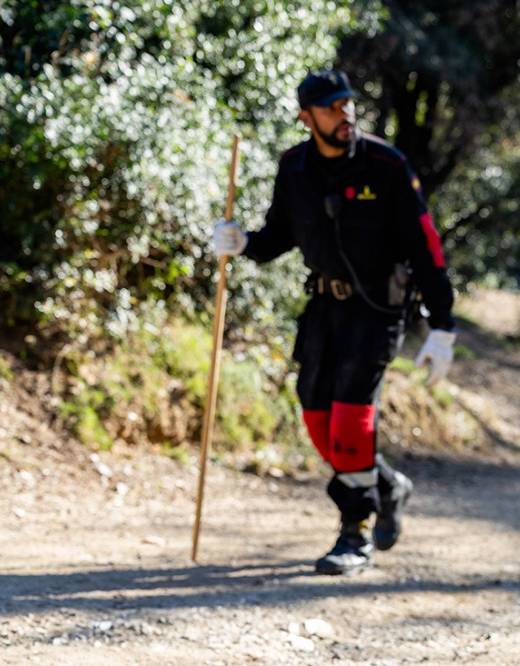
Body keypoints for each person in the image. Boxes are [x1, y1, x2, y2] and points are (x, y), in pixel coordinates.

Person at [212, 69, 456, 575]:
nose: (344, 115)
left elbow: (425, 245)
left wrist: (443, 325)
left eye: (347, 105)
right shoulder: (294, 168)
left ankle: (355, 530)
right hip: (324, 309)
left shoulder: (386, 165)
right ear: (306, 118)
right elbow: (278, 234)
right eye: (330, 108)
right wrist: (243, 244)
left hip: (378, 310)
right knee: (317, 418)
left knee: (350, 416)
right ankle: (386, 484)